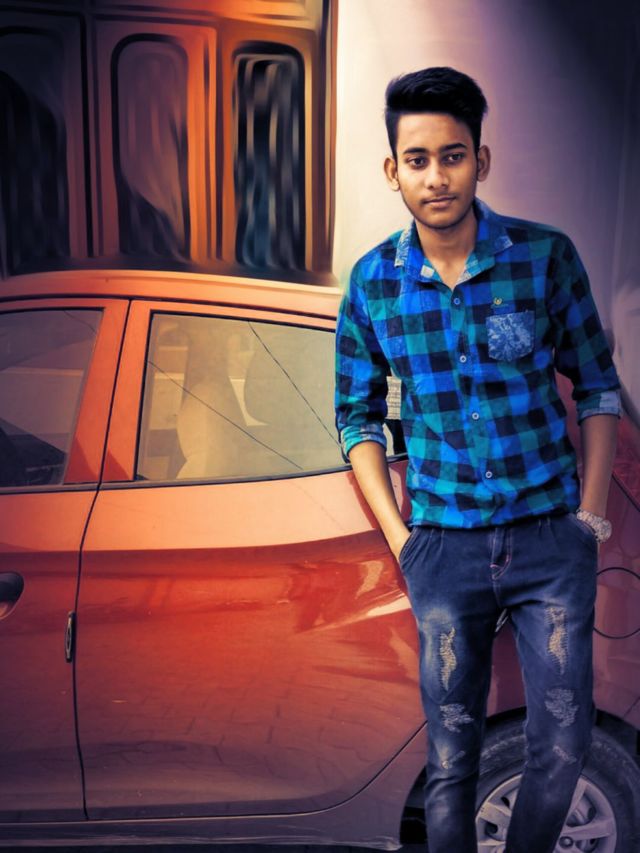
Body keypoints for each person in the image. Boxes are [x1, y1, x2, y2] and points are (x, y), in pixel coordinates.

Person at [334, 66, 620, 853]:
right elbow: (356, 418)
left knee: (563, 745)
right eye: (418, 159)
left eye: (452, 156)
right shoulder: (374, 284)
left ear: (480, 160)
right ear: (392, 170)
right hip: (443, 549)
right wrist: (402, 540)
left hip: (549, 541)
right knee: (452, 757)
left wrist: (589, 518)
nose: (437, 176)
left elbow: (597, 387)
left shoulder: (543, 258)